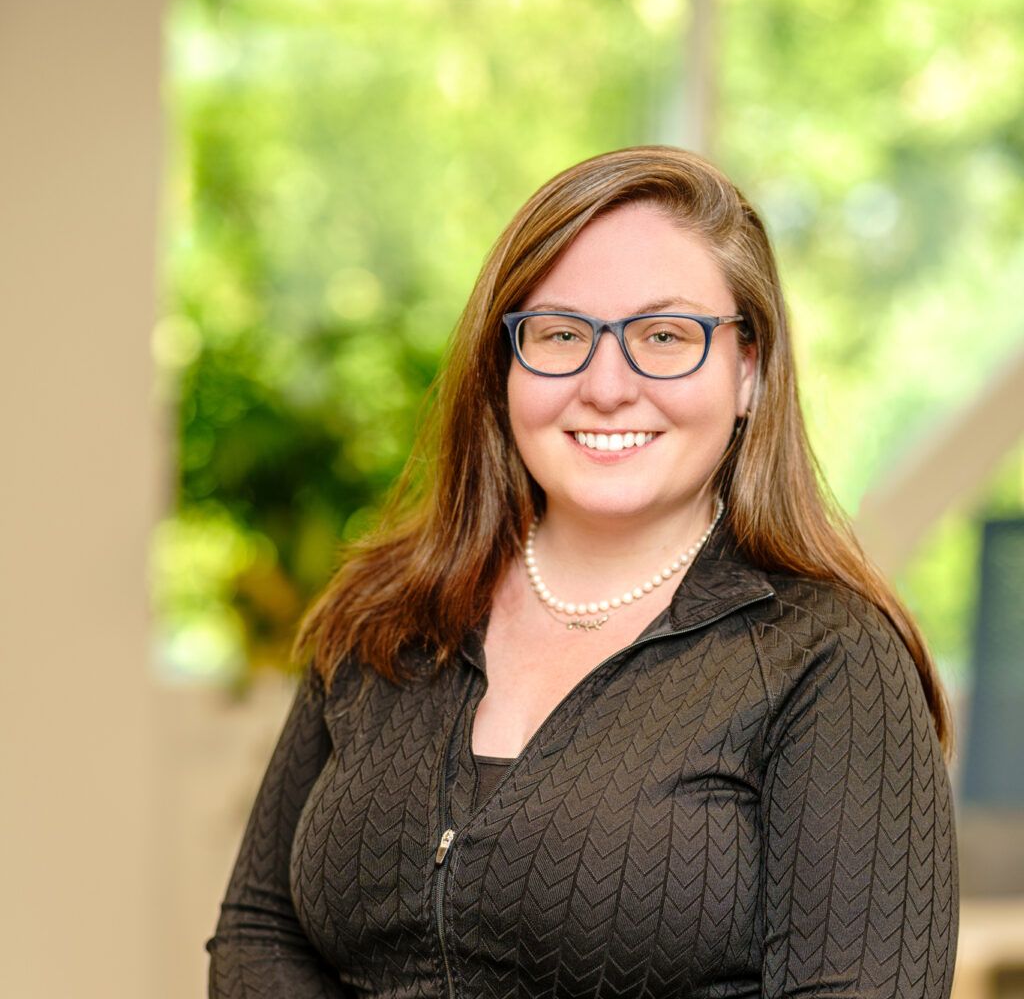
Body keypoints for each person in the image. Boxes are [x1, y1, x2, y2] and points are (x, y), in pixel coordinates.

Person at [206, 145, 958, 998]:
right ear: (503, 369)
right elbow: (258, 931)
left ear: (747, 369)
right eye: (561, 334)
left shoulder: (831, 661)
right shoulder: (384, 612)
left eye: (665, 336)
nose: (607, 385)